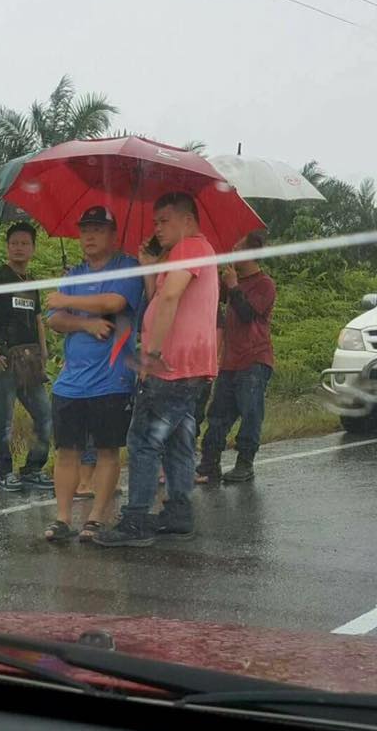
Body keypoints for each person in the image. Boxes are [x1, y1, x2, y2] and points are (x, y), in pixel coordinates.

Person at [94, 192, 219, 547]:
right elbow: (159, 298)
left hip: (173, 366)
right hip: (188, 365)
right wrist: (151, 266)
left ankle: (135, 519)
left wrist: (151, 354)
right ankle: (178, 512)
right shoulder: (186, 253)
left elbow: (169, 299)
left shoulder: (190, 248)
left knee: (144, 439)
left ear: (188, 220)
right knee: (177, 440)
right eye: (155, 222)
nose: (157, 228)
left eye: (165, 221)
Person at [42, 207, 144, 542]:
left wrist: (69, 299)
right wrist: (85, 322)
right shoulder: (74, 273)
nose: (89, 236)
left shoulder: (127, 266)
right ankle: (61, 518)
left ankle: (97, 517)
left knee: (107, 450)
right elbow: (54, 319)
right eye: (85, 229)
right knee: (66, 450)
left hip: (111, 377)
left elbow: (114, 302)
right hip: (71, 380)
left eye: (98, 230)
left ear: (113, 235)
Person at [0, 221, 53, 492]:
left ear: (33, 248)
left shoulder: (30, 281)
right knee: (3, 420)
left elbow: (38, 319)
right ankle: (3, 473)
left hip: (29, 361)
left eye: (25, 243)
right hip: (4, 360)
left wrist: (44, 353)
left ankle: (32, 468)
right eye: (14, 243)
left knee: (45, 415)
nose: (19, 248)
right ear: (7, 247)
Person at [197, 230, 276, 483]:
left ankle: (245, 463)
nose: (233, 253)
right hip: (230, 360)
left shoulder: (265, 284)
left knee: (251, 413)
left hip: (254, 359)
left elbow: (247, 313)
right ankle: (209, 465)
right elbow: (209, 301)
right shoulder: (231, 281)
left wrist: (233, 286)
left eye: (239, 248)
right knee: (218, 413)